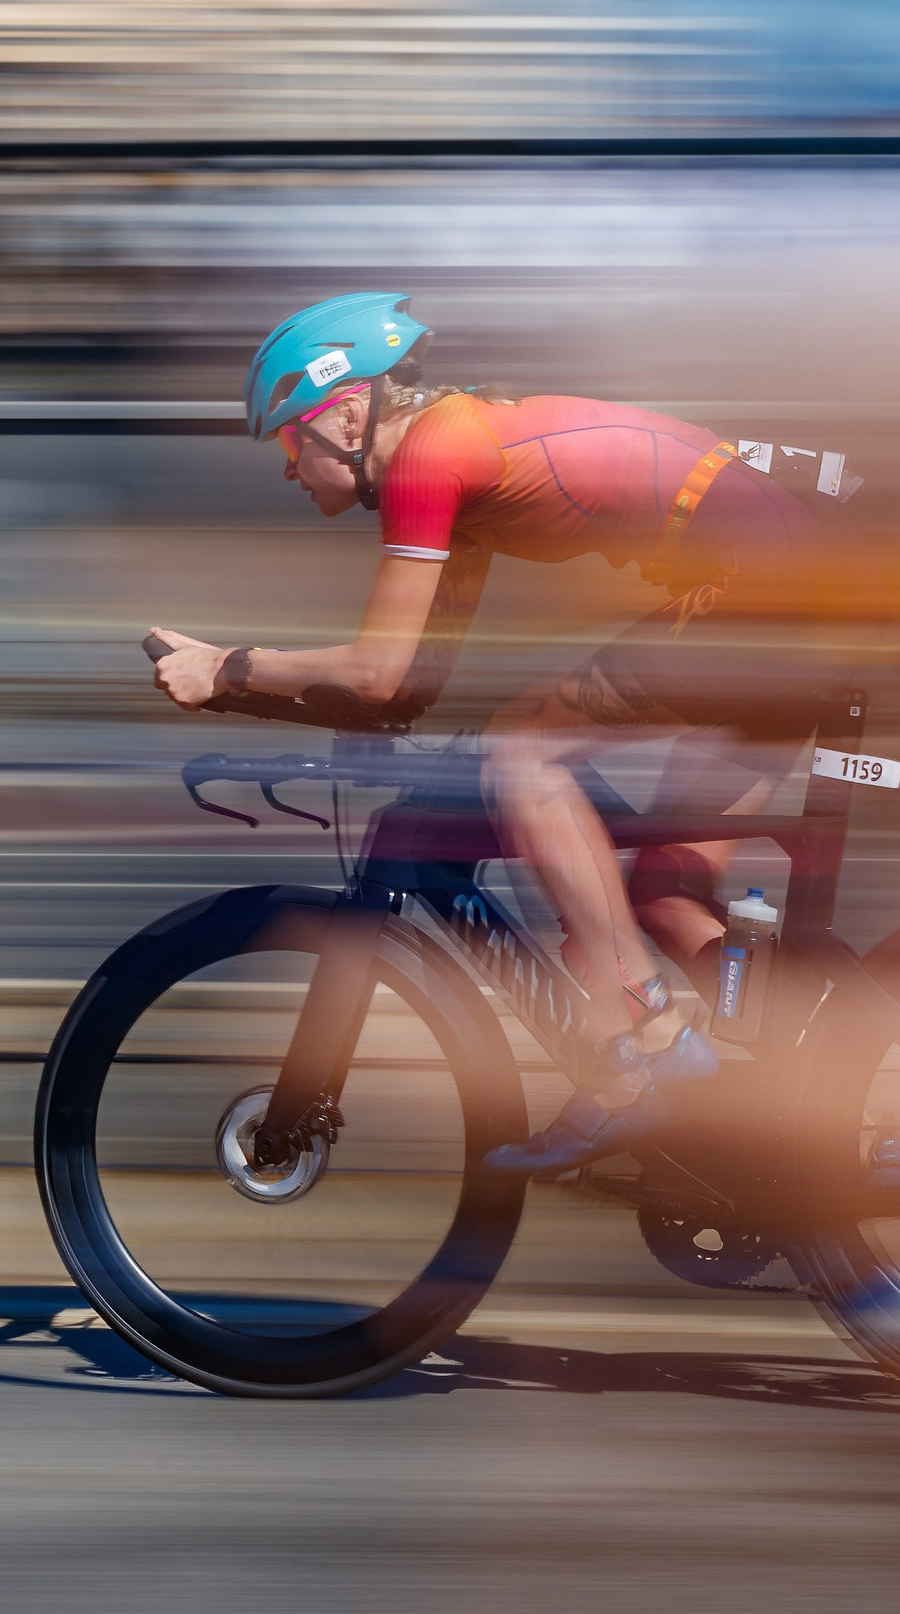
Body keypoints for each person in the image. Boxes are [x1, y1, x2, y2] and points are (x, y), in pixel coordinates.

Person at [145, 292, 855, 1174]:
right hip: (797, 584)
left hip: (766, 588)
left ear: (350, 412)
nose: (290, 469)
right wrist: (246, 700)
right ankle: (833, 1115)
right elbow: (405, 685)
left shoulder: (430, 457)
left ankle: (644, 1038)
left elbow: (373, 669)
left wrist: (230, 664)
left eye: (291, 440)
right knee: (662, 892)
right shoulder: (460, 466)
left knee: (524, 750)